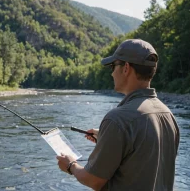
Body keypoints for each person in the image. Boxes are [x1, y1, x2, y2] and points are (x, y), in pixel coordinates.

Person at [57, 39, 180, 191]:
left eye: (113, 66)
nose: (112, 73)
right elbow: (143, 157)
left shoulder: (117, 120)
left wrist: (70, 165)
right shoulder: (167, 114)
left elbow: (93, 180)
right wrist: (106, 137)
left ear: (126, 68)